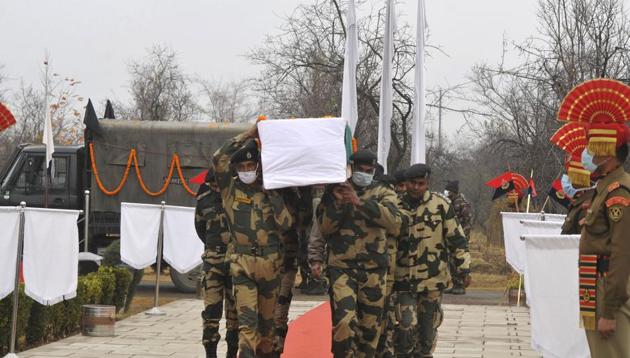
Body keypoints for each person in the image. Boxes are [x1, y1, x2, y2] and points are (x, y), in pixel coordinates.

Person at [212, 124, 294, 358]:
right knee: (247, 329)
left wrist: (272, 195)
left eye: (251, 166)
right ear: (237, 169)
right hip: (243, 265)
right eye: (243, 167)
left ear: (258, 167)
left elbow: (287, 224)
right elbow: (219, 157)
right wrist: (248, 135)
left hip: (270, 265)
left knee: (266, 332)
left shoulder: (271, 190)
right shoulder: (230, 190)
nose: (247, 169)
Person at [317, 150, 404, 358]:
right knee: (344, 322)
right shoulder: (335, 190)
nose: (364, 174)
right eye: (361, 170)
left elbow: (395, 223)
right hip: (342, 268)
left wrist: (360, 202)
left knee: (370, 330)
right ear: (352, 169)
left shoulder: (384, 191)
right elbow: (324, 228)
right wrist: (338, 203)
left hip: (374, 269)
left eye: (369, 171)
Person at [395, 163, 471, 358]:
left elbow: (457, 239)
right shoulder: (396, 205)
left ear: (427, 183)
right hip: (404, 279)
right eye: (412, 183)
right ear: (406, 183)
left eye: (421, 183)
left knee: (427, 333)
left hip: (432, 280)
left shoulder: (440, 206)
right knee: (406, 328)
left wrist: (464, 268)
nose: (416, 187)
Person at [578, 123, 630, 358]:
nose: (590, 152)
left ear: (608, 151)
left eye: (594, 146)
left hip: (608, 286)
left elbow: (622, 252)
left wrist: (609, 312)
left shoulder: (618, 193)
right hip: (596, 282)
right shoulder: (605, 187)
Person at [194, 168, 238, 358]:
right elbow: (200, 227)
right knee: (211, 311)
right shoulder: (203, 198)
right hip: (213, 262)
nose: (216, 189)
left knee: (234, 313)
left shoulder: (238, 195)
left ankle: (232, 352)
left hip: (235, 261)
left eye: (218, 185)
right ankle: (210, 353)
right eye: (213, 186)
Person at [443, 180, 473, 295]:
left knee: (459, 259)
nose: (446, 192)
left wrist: (464, 238)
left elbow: (467, 221)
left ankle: (460, 285)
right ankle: (456, 283)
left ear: (453, 192)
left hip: (461, 237)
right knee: (451, 260)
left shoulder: (462, 203)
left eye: (448, 191)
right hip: (452, 235)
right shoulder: (450, 201)